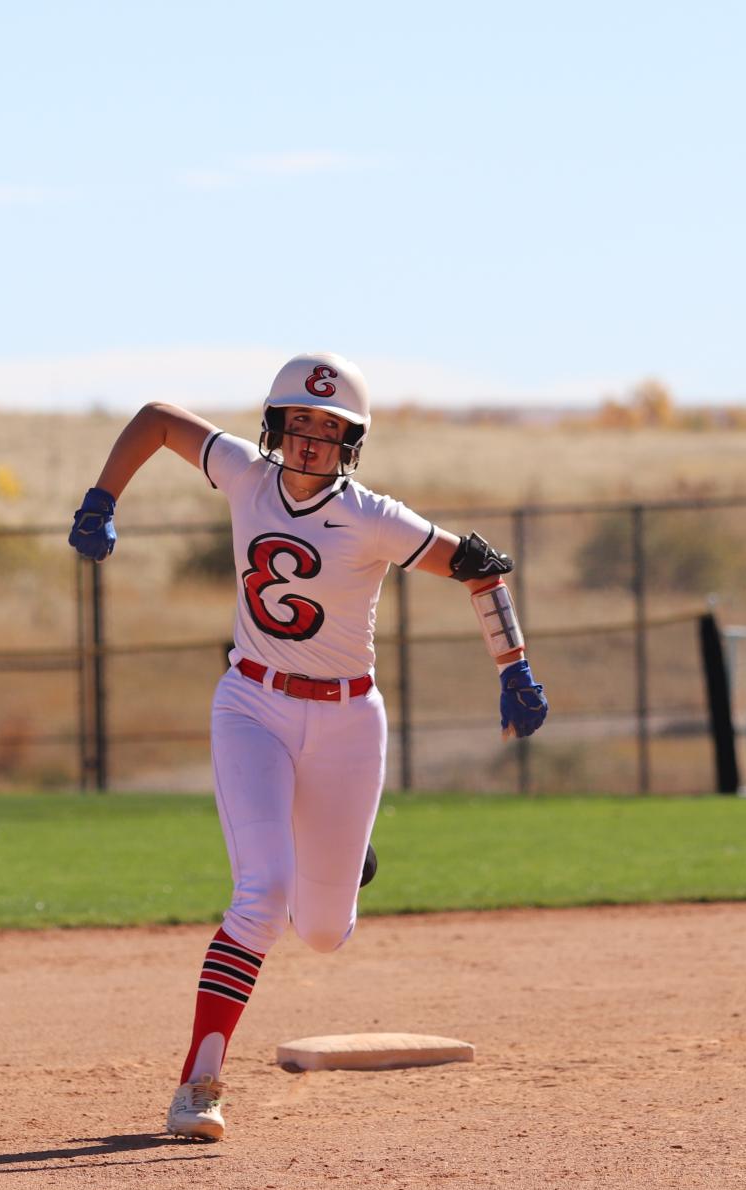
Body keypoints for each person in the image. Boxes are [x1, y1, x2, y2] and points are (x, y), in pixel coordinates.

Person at [67, 352, 549, 1141]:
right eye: (299, 423)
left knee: (323, 930)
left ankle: (343, 853)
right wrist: (99, 497)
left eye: (329, 429)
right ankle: (198, 1085)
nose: (310, 441)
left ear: (349, 441)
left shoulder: (372, 516)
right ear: (276, 426)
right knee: (261, 894)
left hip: (348, 721)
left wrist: (516, 668)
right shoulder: (243, 475)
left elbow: (480, 566)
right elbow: (156, 420)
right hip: (252, 705)